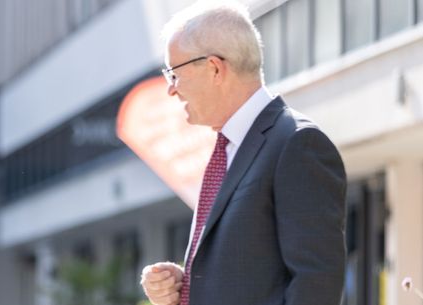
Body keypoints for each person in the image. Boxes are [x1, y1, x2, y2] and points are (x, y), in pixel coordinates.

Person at [140, 2, 346, 305]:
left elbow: (318, 285)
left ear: (214, 68)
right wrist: (184, 287)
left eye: (174, 74)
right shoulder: (231, 147)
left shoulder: (299, 144)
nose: (171, 89)